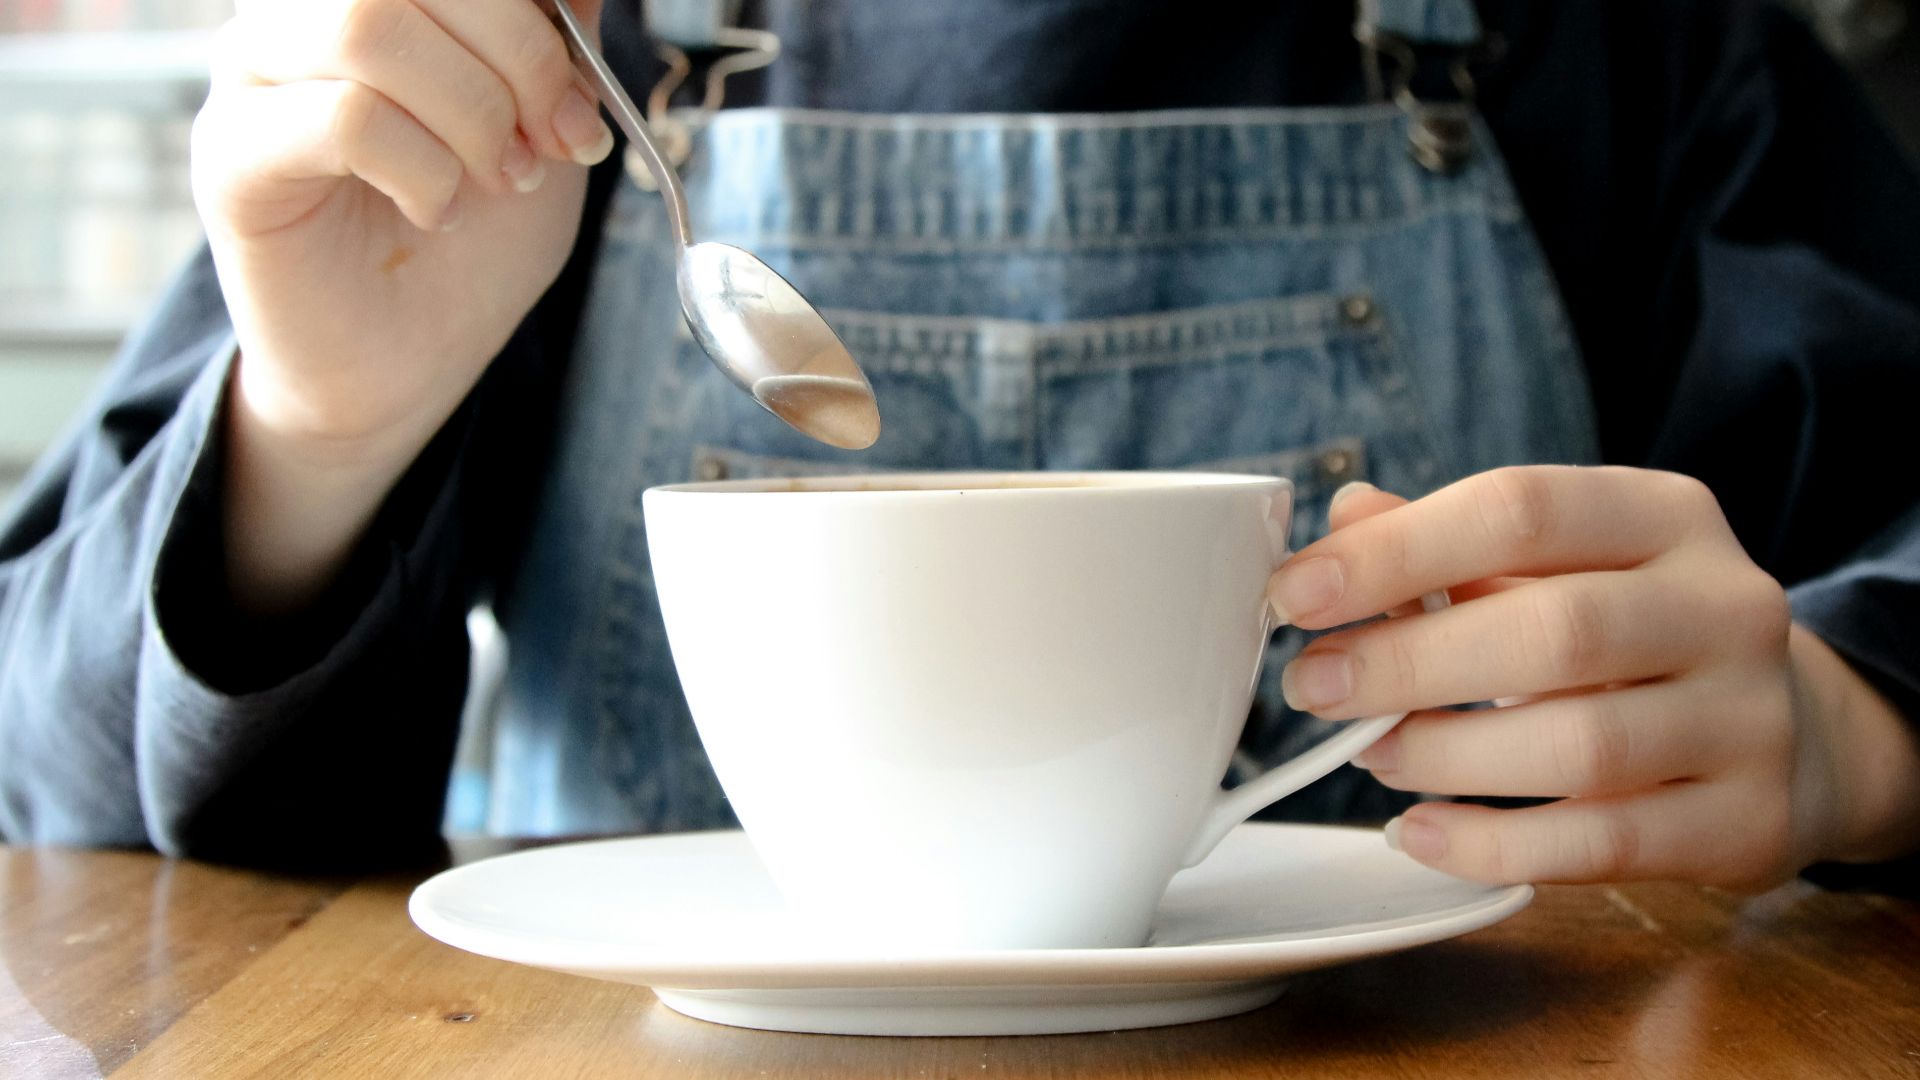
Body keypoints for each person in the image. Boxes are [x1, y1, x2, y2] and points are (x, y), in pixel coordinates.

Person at [1, 0, 1916, 892]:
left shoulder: (1624, 42)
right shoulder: (519, 61)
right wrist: (321, 436)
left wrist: (1858, 729)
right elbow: (48, 778)